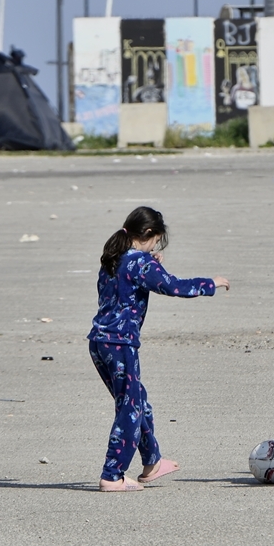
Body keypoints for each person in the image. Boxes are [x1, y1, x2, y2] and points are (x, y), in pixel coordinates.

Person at [88, 206, 229, 492]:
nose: (156, 246)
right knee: (129, 408)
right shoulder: (140, 263)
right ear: (150, 234)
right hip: (121, 343)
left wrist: (150, 262)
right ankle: (112, 474)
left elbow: (127, 282)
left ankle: (152, 461)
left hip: (99, 341)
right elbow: (173, 286)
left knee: (137, 400)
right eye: (156, 240)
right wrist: (210, 284)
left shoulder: (114, 257)